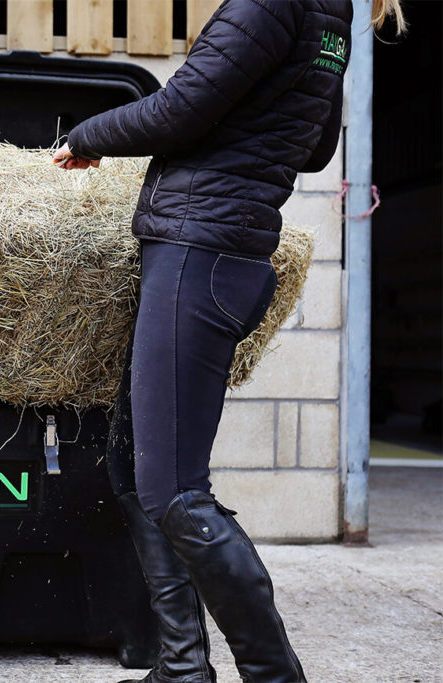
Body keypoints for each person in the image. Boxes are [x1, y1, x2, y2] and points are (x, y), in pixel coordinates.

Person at [54, 0, 405, 681]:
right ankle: (183, 667)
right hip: (223, 251)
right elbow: (314, 145)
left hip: (199, 250)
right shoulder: (330, 19)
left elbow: (180, 109)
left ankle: (274, 674)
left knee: (176, 491)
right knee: (133, 467)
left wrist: (90, 135)